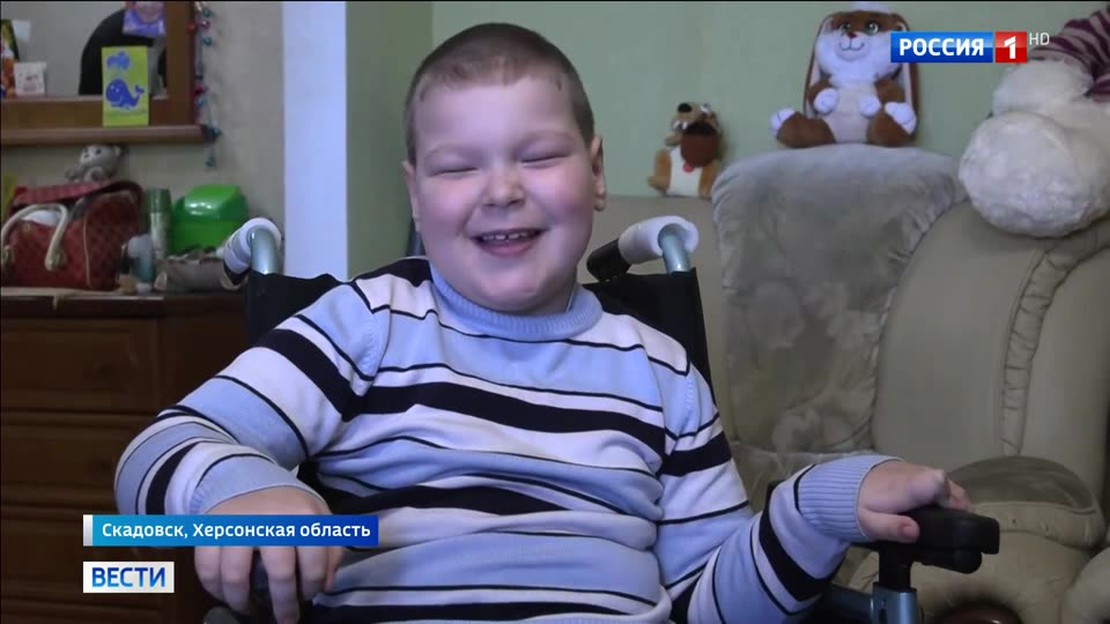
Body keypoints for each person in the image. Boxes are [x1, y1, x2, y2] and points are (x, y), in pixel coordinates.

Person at [114, 22, 970, 624]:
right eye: (459, 167)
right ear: (416, 193)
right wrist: (238, 491)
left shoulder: (660, 371)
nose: (501, 190)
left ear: (596, 173)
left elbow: (711, 604)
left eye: (538, 155)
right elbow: (158, 451)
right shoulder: (363, 325)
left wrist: (814, 509)